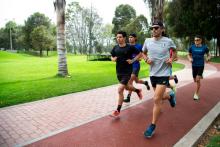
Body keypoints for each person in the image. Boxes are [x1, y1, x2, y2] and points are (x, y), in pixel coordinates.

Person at [142, 21, 177, 138]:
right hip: (153, 74)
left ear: (162, 29)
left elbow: (175, 54)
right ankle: (170, 95)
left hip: (164, 73)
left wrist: (172, 59)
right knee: (161, 97)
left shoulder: (168, 41)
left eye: (156, 28)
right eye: (152, 28)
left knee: (156, 99)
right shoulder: (147, 41)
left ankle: (152, 127)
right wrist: (146, 59)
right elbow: (143, 53)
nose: (154, 30)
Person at [110, 31, 143, 117]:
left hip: (127, 71)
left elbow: (140, 54)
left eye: (120, 37)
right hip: (119, 72)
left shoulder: (130, 47)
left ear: (124, 38)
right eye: (117, 37)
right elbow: (112, 56)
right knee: (127, 87)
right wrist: (113, 59)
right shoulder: (115, 48)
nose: (118, 39)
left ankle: (117, 110)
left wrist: (132, 60)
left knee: (120, 89)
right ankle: (137, 90)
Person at [123, 33, 150, 103]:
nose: (130, 38)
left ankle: (128, 97)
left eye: (131, 37)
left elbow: (142, 54)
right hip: (129, 67)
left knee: (130, 81)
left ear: (135, 38)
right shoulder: (127, 46)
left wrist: (139, 58)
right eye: (129, 37)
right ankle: (145, 83)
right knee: (137, 81)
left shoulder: (139, 46)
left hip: (135, 66)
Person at [187, 35, 210, 100]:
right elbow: (188, 54)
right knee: (194, 80)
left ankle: (196, 94)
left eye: (197, 40)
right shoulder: (192, 47)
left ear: (200, 40)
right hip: (194, 65)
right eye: (195, 40)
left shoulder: (204, 47)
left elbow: (209, 54)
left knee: (197, 80)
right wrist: (190, 59)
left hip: (201, 65)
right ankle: (200, 75)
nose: (196, 41)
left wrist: (208, 58)